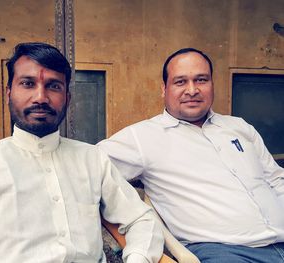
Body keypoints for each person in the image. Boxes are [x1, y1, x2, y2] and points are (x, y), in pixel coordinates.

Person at [0, 42, 163, 263]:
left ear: (67, 98)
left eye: (54, 86)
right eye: (27, 83)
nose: (41, 98)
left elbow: (141, 219)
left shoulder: (92, 160)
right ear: (8, 94)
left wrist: (138, 258)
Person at [98, 48, 284, 262]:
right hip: (224, 252)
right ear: (163, 89)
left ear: (212, 85)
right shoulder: (142, 137)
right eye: (180, 82)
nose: (192, 90)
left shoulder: (239, 127)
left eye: (201, 80)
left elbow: (276, 180)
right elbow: (86, 169)